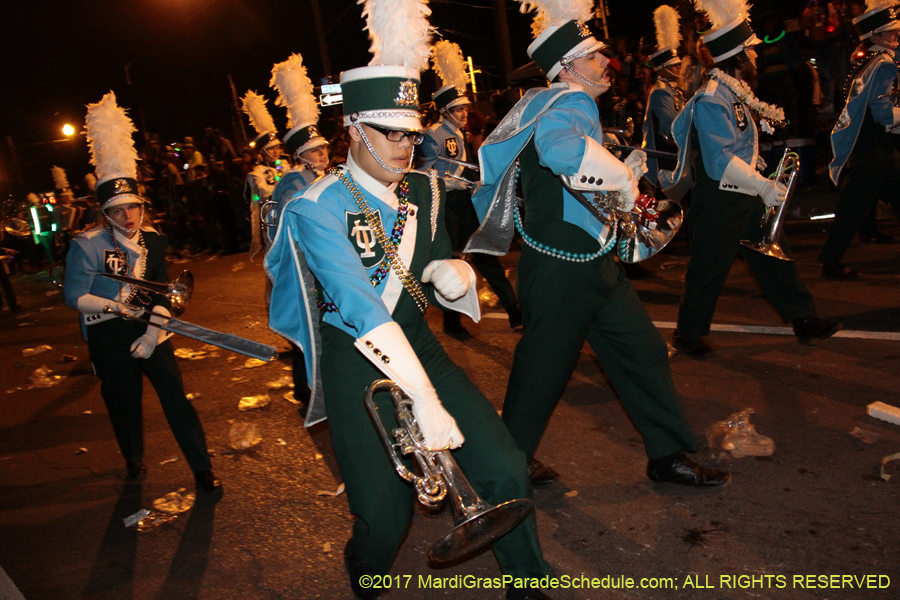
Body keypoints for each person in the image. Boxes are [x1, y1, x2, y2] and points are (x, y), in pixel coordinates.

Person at [265, 2, 554, 598]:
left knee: (502, 465)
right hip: (356, 359)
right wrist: (422, 398)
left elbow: (433, 258)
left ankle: (530, 584)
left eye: (410, 134)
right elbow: (360, 304)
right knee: (386, 516)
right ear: (352, 131)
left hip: (419, 341)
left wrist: (454, 275)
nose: (403, 147)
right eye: (388, 134)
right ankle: (365, 580)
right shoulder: (315, 208)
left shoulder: (423, 186)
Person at [467, 1, 729, 490]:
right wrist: (624, 179)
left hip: (590, 261)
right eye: (592, 58)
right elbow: (562, 152)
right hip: (563, 269)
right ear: (567, 69)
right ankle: (504, 465)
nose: (605, 64)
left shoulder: (551, 104)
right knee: (542, 371)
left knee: (642, 350)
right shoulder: (569, 102)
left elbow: (572, 167)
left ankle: (667, 454)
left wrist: (618, 164)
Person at [662, 0, 841, 356]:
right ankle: (688, 334)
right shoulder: (713, 99)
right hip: (721, 198)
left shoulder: (734, 93)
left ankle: (803, 317)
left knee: (774, 255)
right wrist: (761, 184)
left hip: (743, 192)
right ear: (736, 57)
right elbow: (718, 161)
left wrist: (757, 169)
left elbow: (738, 145)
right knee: (708, 268)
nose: (756, 58)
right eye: (750, 52)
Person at [63, 92, 221, 493]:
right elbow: (73, 295)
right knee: (124, 404)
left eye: (133, 207)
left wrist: (152, 334)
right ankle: (133, 458)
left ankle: (202, 468)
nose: (128, 216)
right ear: (106, 214)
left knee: (177, 401)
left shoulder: (154, 242)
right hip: (108, 332)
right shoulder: (87, 244)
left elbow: (164, 294)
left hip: (151, 329)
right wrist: (115, 304)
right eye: (118, 210)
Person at [418, 40, 522, 337]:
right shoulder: (434, 134)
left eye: (465, 108)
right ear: (445, 110)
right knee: (451, 260)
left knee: (485, 255)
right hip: (447, 205)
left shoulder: (458, 134)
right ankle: (452, 322)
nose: (464, 113)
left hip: (464, 200)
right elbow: (425, 174)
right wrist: (453, 181)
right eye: (457, 109)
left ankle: (515, 311)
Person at [266, 52, 330, 412]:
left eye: (323, 148)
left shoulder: (320, 176)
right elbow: (297, 219)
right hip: (300, 263)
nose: (324, 153)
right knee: (306, 327)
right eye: (317, 150)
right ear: (304, 154)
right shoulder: (293, 180)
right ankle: (305, 391)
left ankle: (313, 386)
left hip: (318, 259)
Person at [820, 0, 900, 279]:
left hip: (874, 148)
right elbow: (885, 115)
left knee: (853, 209)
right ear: (875, 35)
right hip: (873, 150)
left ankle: (830, 259)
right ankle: (830, 261)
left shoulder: (865, 60)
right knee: (851, 211)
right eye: (890, 32)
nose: (896, 35)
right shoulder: (885, 65)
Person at [642, 6, 686, 193]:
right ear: (662, 68)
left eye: (677, 65)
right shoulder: (661, 91)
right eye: (673, 65)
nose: (677, 68)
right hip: (666, 154)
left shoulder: (673, 89)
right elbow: (670, 124)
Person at [242, 91, 288, 258]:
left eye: (277, 147)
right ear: (262, 151)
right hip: (271, 215)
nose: (275, 151)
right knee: (274, 251)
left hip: (288, 211)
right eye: (271, 148)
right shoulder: (256, 172)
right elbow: (262, 193)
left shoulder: (284, 165)